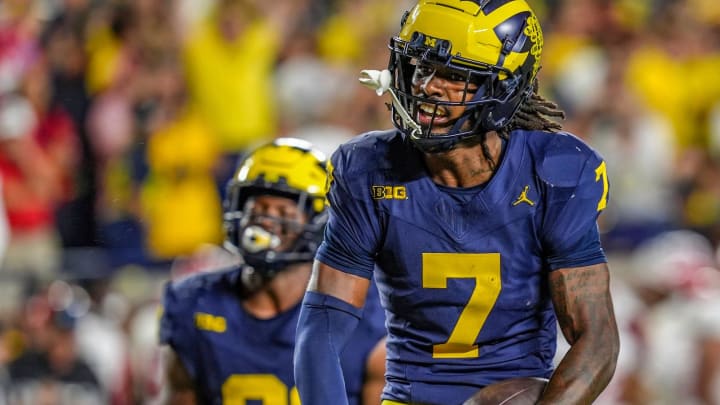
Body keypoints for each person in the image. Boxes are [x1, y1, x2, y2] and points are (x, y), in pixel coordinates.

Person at [293, 1, 620, 404]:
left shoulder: (554, 172)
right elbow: (322, 326)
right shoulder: (367, 169)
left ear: (502, 88)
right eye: (421, 66)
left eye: (453, 74)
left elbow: (597, 339)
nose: (427, 86)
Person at [158, 138, 387, 404]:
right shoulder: (194, 303)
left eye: (283, 211)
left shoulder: (363, 315)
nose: (265, 220)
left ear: (320, 222)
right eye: (257, 208)